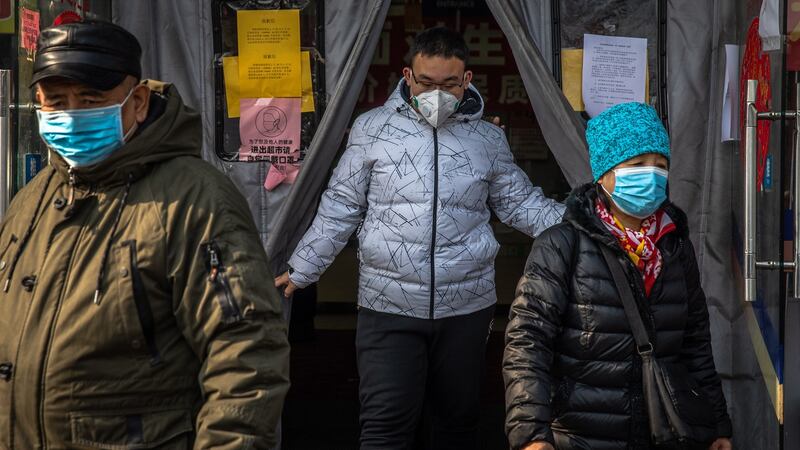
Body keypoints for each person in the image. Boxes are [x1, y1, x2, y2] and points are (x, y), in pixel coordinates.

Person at [0, 20, 290, 449]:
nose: (71, 116)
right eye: (56, 102)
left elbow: (245, 354)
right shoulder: (33, 197)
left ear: (137, 102)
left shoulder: (195, 200)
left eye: (91, 100)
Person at [274, 27, 565, 449]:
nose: (437, 93)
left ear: (466, 80)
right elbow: (341, 206)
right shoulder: (371, 129)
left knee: (458, 421)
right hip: (386, 304)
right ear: (407, 76)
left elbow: (520, 204)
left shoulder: (487, 138)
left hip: (466, 306)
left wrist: (590, 221)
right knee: (384, 427)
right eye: (427, 82)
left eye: (449, 84)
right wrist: (303, 269)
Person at [503, 102, 733, 450]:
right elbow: (527, 343)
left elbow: (695, 343)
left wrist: (716, 424)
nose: (652, 175)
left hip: (665, 430)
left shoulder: (674, 246)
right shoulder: (562, 246)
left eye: (661, 165)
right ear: (604, 174)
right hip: (581, 433)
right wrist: (532, 434)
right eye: (637, 164)